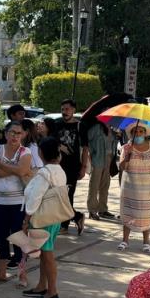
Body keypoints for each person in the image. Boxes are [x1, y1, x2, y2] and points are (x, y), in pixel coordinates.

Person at [22, 137, 67, 298]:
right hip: (53, 217)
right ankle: (42, 285)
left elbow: (35, 199)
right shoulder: (59, 170)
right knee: (44, 254)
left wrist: (26, 219)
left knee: (47, 256)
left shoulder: (44, 173)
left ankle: (52, 291)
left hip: (42, 219)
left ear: (41, 153)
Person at [0, 121, 32, 282]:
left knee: (19, 237)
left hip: (18, 202)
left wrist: (1, 164)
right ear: (6, 134)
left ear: (23, 135)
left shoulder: (25, 151)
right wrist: (14, 168)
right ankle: (2, 272)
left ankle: (22, 272)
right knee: (1, 237)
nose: (15, 136)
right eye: (12, 132)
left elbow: (23, 170)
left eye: (18, 133)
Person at [118, 123, 150, 253]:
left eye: (141, 131)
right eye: (135, 131)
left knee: (146, 214)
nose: (138, 134)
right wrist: (127, 156)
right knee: (128, 212)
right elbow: (121, 167)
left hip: (147, 187)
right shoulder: (126, 147)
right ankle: (125, 240)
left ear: (145, 133)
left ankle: (146, 242)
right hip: (130, 187)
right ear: (131, 133)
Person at [50, 99, 86, 234]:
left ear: (73, 110)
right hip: (57, 165)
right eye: (63, 109)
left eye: (67, 109)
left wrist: (83, 167)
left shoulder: (80, 126)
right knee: (58, 195)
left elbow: (85, 148)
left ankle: (65, 224)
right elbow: (51, 141)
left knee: (68, 194)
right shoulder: (56, 124)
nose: (65, 112)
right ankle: (76, 217)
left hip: (73, 166)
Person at [85, 117, 118, 220]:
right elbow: (87, 141)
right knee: (94, 186)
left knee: (105, 186)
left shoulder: (112, 129)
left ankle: (102, 209)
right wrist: (91, 154)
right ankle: (92, 210)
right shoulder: (96, 128)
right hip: (97, 159)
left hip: (109, 160)